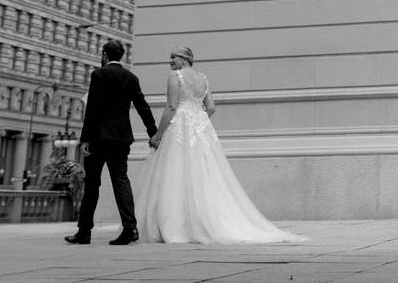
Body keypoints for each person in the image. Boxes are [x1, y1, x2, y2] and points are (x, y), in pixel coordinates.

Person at [135, 45, 306, 244]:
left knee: (175, 172)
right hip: (200, 129)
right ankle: (201, 221)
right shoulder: (203, 78)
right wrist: (198, 121)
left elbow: (172, 106)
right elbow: (211, 108)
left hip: (179, 126)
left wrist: (158, 134)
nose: (170, 61)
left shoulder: (175, 76)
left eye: (174, 57)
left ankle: (175, 226)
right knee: (201, 174)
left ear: (185, 59)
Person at [65, 39, 157, 246]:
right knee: (121, 181)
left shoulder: (98, 75)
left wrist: (85, 138)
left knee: (92, 184)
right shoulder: (131, 77)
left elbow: (93, 108)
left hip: (98, 138)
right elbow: (142, 106)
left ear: (105, 54)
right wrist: (153, 132)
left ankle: (84, 232)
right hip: (121, 138)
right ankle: (130, 228)